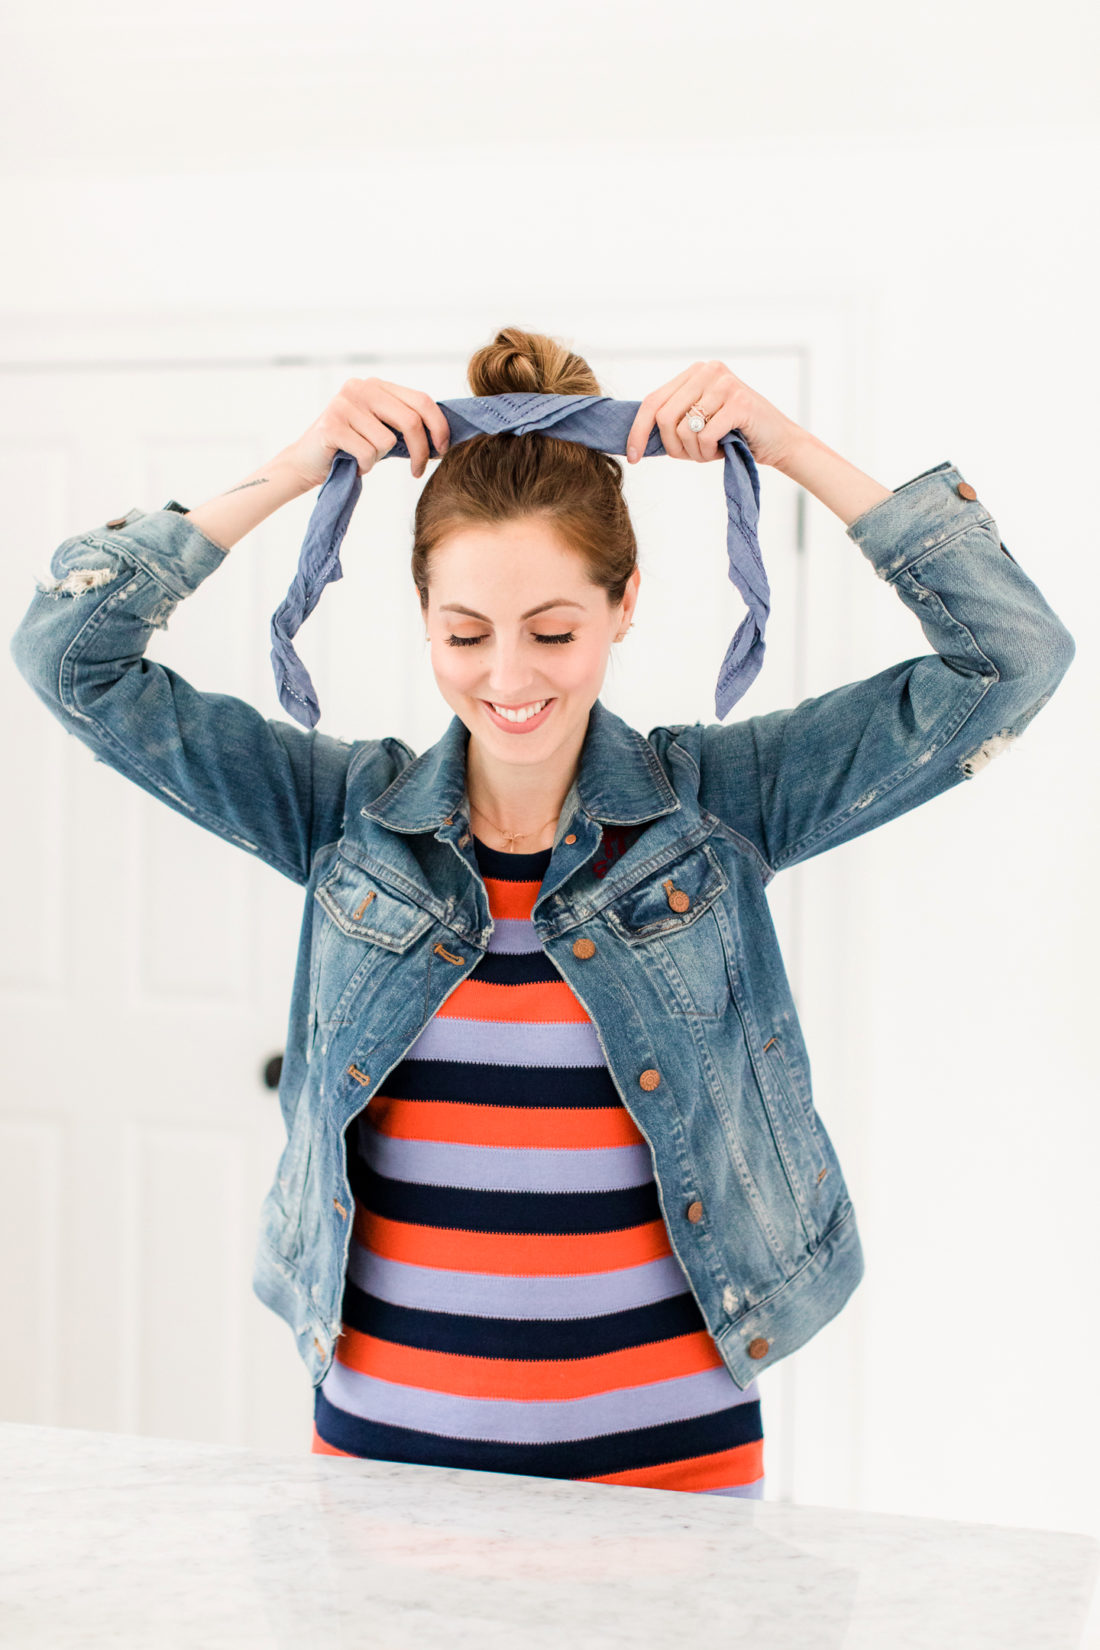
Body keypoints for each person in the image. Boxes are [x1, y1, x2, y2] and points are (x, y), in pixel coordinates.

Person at [11, 326, 1074, 1499]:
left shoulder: (715, 811)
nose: (509, 679)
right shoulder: (338, 820)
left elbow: (1008, 657)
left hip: (670, 1477)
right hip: (382, 1469)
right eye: (465, 633)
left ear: (623, 606)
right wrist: (305, 462)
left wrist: (782, 444)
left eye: (553, 631)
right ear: (421, 616)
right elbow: (71, 656)